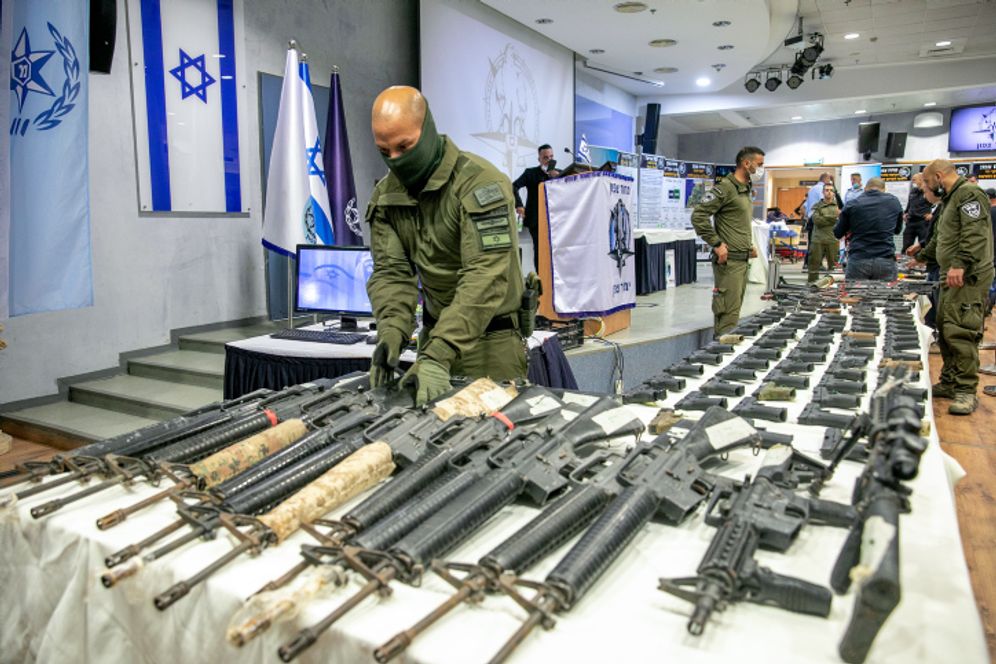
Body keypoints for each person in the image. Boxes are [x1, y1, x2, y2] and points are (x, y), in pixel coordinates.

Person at [365, 86, 526, 405]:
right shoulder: (386, 197)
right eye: (385, 151)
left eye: (404, 146)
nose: (396, 160)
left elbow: (485, 278)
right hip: (435, 343)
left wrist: (438, 353)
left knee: (495, 445)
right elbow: (392, 274)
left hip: (491, 345)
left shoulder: (481, 184)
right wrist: (392, 332)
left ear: (427, 130)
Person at [913, 160, 994, 415]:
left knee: (962, 331)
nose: (925, 187)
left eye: (926, 182)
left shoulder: (969, 194)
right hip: (951, 275)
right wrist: (922, 254)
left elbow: (975, 233)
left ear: (938, 176)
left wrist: (960, 263)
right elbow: (941, 237)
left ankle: (966, 391)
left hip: (967, 277)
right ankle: (949, 382)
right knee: (946, 329)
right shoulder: (950, 199)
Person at [692, 146, 764, 336]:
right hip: (729, 263)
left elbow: (737, 223)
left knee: (733, 314)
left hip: (742, 260)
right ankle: (720, 358)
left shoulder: (745, 189)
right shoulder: (725, 188)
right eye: (760, 164)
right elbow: (699, 215)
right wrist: (716, 244)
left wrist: (748, 246)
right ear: (746, 163)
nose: (762, 169)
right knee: (727, 318)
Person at [833, 177, 903, 280]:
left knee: (855, 295)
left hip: (858, 260)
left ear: (865, 188)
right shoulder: (894, 202)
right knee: (886, 295)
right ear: (884, 189)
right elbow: (897, 230)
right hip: (885, 260)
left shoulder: (852, 204)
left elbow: (837, 233)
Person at [513, 144, 558, 273]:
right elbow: (513, 186)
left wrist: (558, 178)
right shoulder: (530, 173)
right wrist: (519, 205)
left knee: (555, 251)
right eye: (545, 158)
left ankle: (554, 280)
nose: (549, 160)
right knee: (540, 250)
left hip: (555, 220)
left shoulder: (559, 174)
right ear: (539, 159)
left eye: (551, 157)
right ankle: (541, 280)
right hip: (536, 220)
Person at [808, 183, 840, 283]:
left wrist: (825, 217)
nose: (829, 192)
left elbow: (840, 220)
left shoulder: (838, 206)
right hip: (818, 239)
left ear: (834, 193)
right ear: (823, 192)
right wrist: (833, 218)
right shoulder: (816, 206)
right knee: (814, 264)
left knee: (833, 266)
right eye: (826, 190)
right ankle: (812, 284)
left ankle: (831, 284)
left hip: (832, 239)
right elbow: (817, 221)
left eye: (831, 190)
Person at [903, 172, 934, 252]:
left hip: (923, 222)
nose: (913, 182)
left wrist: (932, 214)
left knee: (923, 245)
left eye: (914, 180)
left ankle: (922, 262)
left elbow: (937, 203)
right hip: (911, 222)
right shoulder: (913, 191)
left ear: (921, 180)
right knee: (906, 245)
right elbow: (909, 203)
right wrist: (905, 213)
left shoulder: (928, 191)